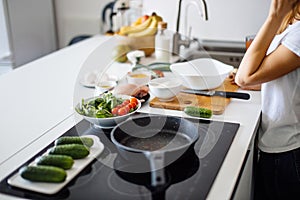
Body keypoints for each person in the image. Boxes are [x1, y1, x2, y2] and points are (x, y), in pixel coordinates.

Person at [235, 0, 300, 199]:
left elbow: (244, 77)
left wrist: (274, 16)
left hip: (289, 150)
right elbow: (283, 77)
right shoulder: (292, 24)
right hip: (279, 144)